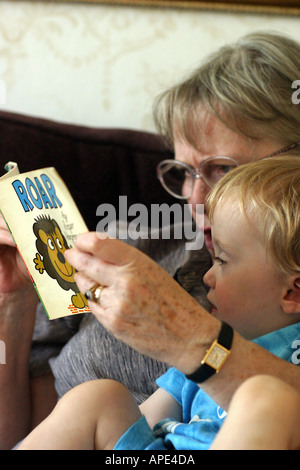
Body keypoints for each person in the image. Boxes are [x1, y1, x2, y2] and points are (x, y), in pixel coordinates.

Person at [1, 31, 300, 450]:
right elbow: (20, 434)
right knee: (95, 396)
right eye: (185, 172)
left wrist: (192, 338)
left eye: (222, 170)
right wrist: (12, 306)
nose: (196, 199)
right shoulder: (116, 254)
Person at [17, 156, 300, 450]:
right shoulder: (207, 349)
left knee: (267, 397)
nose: (208, 277)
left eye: (222, 260)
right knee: (100, 397)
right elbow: (148, 420)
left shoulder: (210, 348)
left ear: (293, 293)